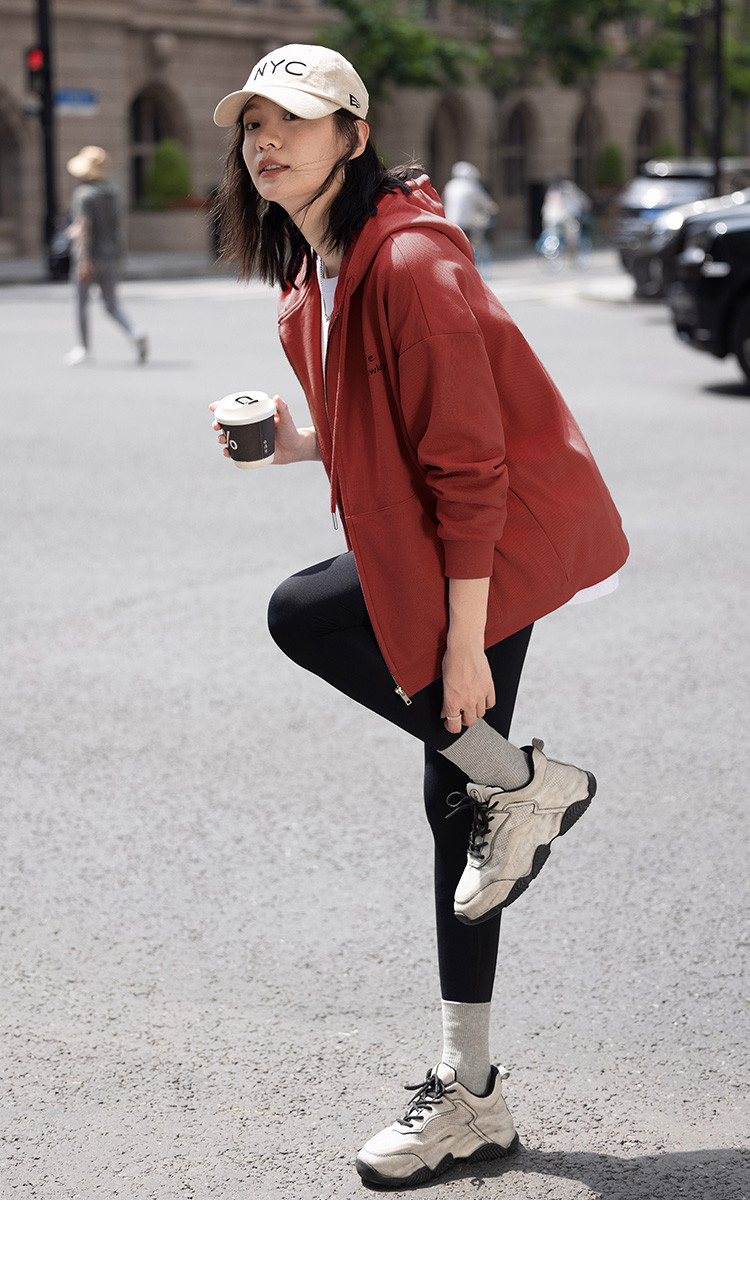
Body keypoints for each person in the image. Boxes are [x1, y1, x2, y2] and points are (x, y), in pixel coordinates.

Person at [210, 44, 629, 1189]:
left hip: (487, 547)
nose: (265, 141)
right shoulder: (316, 278)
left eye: (294, 120)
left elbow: (471, 466)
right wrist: (293, 443)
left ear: (354, 136)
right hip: (431, 546)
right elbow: (378, 431)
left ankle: (523, 783)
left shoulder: (409, 261)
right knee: (460, 811)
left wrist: (460, 645)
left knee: (306, 615)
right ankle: (472, 1089)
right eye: (252, 124)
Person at [64, 146, 148, 366]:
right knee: (111, 304)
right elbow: (119, 228)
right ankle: (135, 332)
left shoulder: (84, 195)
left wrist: (82, 261)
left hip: (90, 258)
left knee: (81, 303)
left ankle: (83, 347)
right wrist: (121, 257)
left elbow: (84, 229)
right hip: (111, 256)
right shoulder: (113, 194)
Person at [442, 160, 498, 265]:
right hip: (466, 223)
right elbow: (486, 203)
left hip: (449, 222)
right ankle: (472, 262)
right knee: (473, 241)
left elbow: (444, 201)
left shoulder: (450, 185)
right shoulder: (472, 187)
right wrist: (493, 208)